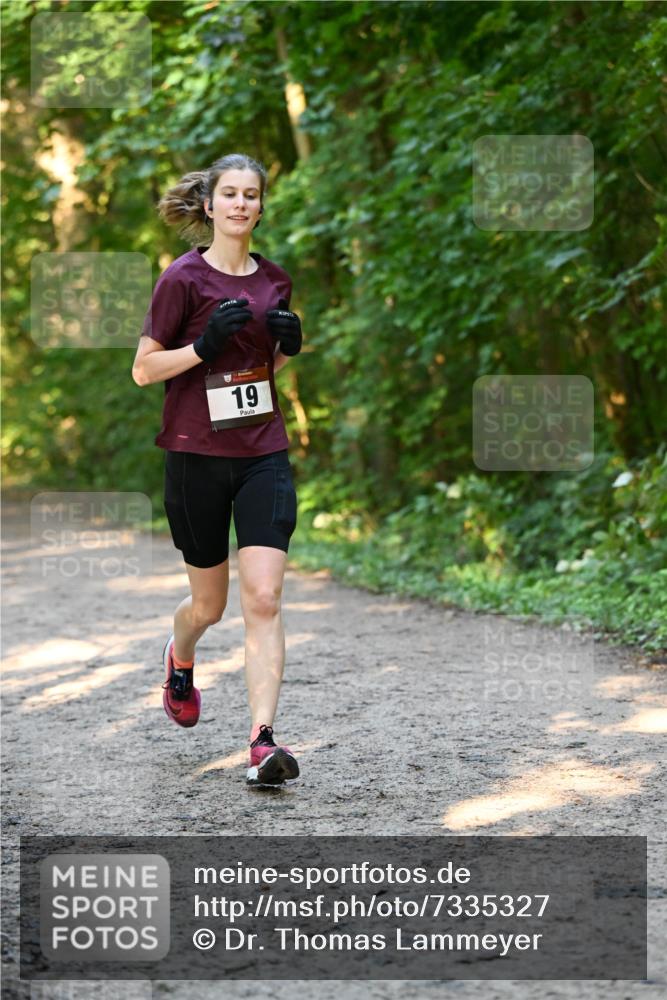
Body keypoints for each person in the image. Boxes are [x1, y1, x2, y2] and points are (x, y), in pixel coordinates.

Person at [131, 153, 302, 787]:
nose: (240, 204)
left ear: (261, 206)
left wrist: (288, 348)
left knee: (264, 597)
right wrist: (201, 347)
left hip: (262, 452)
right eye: (229, 194)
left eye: (250, 195)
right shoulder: (182, 278)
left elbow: (261, 367)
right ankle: (180, 657)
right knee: (209, 605)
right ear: (209, 205)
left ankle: (262, 741)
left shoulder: (275, 280)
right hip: (196, 457)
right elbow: (144, 370)